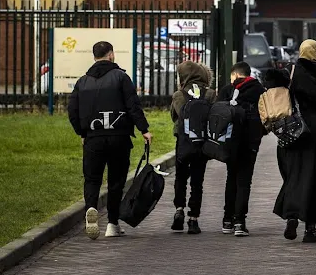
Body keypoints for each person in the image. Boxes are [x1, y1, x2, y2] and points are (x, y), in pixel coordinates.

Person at [69, 41, 152, 240]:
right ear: (111, 55)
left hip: (93, 138)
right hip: (119, 137)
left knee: (92, 179)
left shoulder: (83, 81)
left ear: (94, 56)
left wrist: (82, 132)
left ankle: (91, 209)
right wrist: (144, 130)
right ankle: (112, 224)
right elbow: (133, 106)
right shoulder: (121, 78)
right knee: (116, 181)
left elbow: (72, 110)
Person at [271, 39, 316, 242]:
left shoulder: (291, 72)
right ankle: (310, 229)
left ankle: (292, 216)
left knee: (294, 175)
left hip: (293, 131)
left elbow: (273, 88)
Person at [218, 62, 266, 237]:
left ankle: (227, 220)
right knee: (244, 181)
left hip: (231, 142)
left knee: (231, 178)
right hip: (250, 142)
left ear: (236, 75)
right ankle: (240, 222)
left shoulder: (227, 91)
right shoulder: (259, 90)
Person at [170, 60, 216, 235]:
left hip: (183, 141)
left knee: (180, 178)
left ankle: (179, 209)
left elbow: (174, 117)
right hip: (202, 143)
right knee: (198, 182)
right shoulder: (210, 93)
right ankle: (193, 219)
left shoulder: (178, 95)